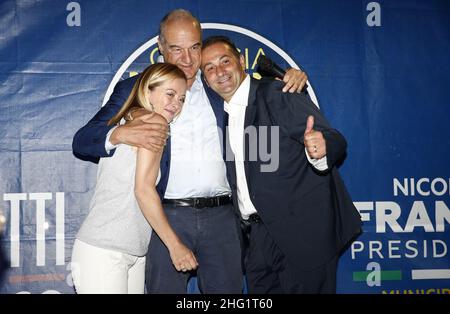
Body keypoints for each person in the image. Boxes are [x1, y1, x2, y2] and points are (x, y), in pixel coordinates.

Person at [72, 9, 308, 294]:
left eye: (195, 48)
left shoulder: (217, 85)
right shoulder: (138, 88)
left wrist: (290, 78)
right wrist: (119, 133)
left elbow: (258, 92)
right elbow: (84, 139)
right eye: (176, 49)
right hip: (166, 216)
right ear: (160, 47)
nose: (187, 59)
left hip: (223, 216)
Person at [200, 36, 362, 294]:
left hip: (302, 235)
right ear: (204, 78)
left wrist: (321, 150)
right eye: (209, 67)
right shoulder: (221, 116)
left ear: (241, 61)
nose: (219, 71)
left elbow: (333, 138)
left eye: (225, 61)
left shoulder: (275, 93)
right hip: (256, 242)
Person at [71, 63, 198, 294]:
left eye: (181, 99)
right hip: (105, 250)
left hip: (133, 252)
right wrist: (175, 245)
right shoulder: (155, 123)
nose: (176, 104)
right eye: (170, 94)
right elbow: (144, 190)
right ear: (147, 90)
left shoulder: (137, 117)